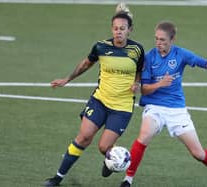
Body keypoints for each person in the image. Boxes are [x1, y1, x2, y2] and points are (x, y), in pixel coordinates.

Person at [119, 21, 207, 187]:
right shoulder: (149, 58)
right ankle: (127, 180)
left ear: (172, 40)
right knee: (144, 136)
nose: (158, 43)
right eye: (156, 39)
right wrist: (160, 84)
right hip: (155, 107)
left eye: (163, 40)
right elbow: (144, 90)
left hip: (176, 110)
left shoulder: (181, 54)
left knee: (198, 153)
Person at [43, 4, 144, 187]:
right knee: (83, 137)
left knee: (104, 147)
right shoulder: (101, 47)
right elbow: (85, 64)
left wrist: (137, 82)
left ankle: (110, 161)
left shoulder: (137, 50)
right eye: (115, 28)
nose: (118, 32)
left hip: (121, 107)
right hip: (100, 100)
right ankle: (57, 178)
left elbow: (140, 70)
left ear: (130, 30)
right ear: (111, 29)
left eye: (122, 29)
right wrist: (68, 79)